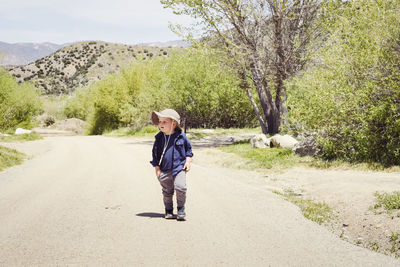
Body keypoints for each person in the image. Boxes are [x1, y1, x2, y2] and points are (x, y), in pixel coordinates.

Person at [150, 109, 193, 221]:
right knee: (167, 192)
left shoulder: (181, 136)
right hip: (164, 169)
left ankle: (181, 209)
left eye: (164, 122)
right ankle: (168, 211)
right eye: (160, 121)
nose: (160, 124)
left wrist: (188, 161)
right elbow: (155, 154)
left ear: (173, 123)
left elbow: (188, 149)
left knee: (181, 187)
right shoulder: (159, 138)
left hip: (179, 168)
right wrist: (157, 169)